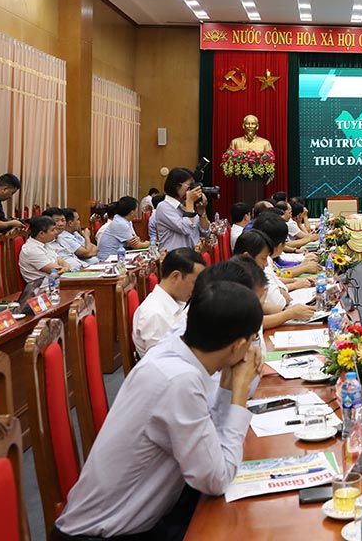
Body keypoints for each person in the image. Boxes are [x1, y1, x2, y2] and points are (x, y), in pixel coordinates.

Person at [53, 281, 264, 540]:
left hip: (140, 521)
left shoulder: (175, 358)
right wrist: (240, 392)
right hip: (107, 534)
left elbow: (213, 439)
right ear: (238, 346)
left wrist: (229, 384)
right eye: (253, 340)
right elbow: (216, 479)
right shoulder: (178, 381)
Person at [133, 248, 206, 357]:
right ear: (175, 276)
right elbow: (162, 365)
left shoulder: (176, 300)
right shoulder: (154, 314)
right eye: (194, 282)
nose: (197, 289)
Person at [155, 167, 210, 252]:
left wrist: (202, 211)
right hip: (175, 259)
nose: (192, 190)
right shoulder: (163, 207)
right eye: (189, 185)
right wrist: (190, 202)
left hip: (192, 256)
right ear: (176, 186)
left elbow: (206, 232)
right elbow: (186, 229)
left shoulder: (187, 205)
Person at [18, 216, 69, 283]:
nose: (56, 232)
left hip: (57, 283)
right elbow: (55, 270)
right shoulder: (32, 250)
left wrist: (66, 268)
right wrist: (65, 268)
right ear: (41, 234)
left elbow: (61, 261)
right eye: (53, 230)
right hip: (43, 289)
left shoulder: (45, 244)